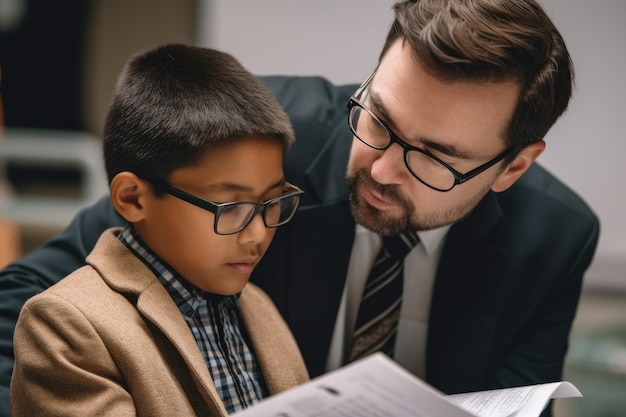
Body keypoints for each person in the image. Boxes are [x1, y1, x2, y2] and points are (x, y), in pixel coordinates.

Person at [0, 1, 600, 416]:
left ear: (513, 167)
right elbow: (24, 297)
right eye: (380, 121)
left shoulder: (553, 239)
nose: (384, 170)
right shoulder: (251, 144)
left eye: (437, 158)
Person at [9, 43, 308, 416]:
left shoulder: (258, 307)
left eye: (272, 202)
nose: (258, 234)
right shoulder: (67, 324)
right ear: (134, 198)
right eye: (231, 208)